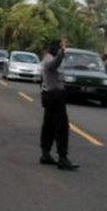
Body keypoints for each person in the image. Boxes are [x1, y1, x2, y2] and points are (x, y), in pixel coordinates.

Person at [40, 38, 79, 171]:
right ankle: (62, 158)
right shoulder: (50, 60)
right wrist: (62, 51)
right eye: (58, 47)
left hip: (51, 96)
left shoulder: (48, 58)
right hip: (55, 96)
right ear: (55, 48)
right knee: (62, 127)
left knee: (49, 126)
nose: (60, 49)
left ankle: (45, 154)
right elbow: (54, 64)